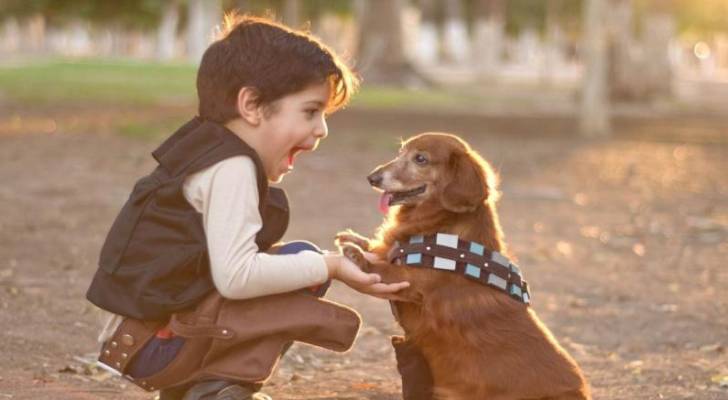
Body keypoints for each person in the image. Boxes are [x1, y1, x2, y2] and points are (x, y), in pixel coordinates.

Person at [85, 14, 412, 400]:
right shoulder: (232, 167)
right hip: (153, 348)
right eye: (310, 111)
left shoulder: (206, 151)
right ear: (252, 105)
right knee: (307, 265)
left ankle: (193, 387)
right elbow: (236, 277)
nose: (322, 129)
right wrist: (332, 265)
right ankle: (215, 389)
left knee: (298, 261)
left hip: (142, 337)